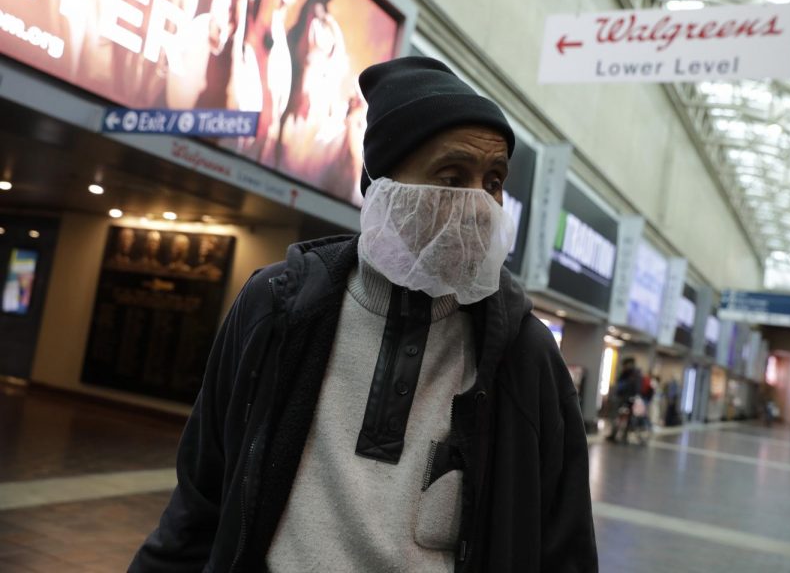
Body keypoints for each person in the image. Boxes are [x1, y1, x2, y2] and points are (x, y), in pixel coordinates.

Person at [130, 57, 598, 573]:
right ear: (381, 182)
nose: (478, 204)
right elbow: (199, 502)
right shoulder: (278, 308)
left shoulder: (522, 355)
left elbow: (565, 547)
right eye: (451, 176)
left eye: (492, 181)